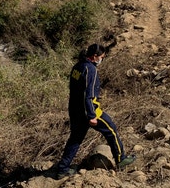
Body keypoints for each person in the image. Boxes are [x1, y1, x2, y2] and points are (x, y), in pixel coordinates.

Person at [56, 44, 135, 179]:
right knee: (111, 130)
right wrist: (91, 115)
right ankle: (121, 160)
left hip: (75, 110)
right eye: (101, 57)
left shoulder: (77, 66)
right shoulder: (90, 70)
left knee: (75, 139)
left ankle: (62, 169)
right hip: (90, 111)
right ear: (94, 57)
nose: (102, 60)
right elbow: (89, 95)